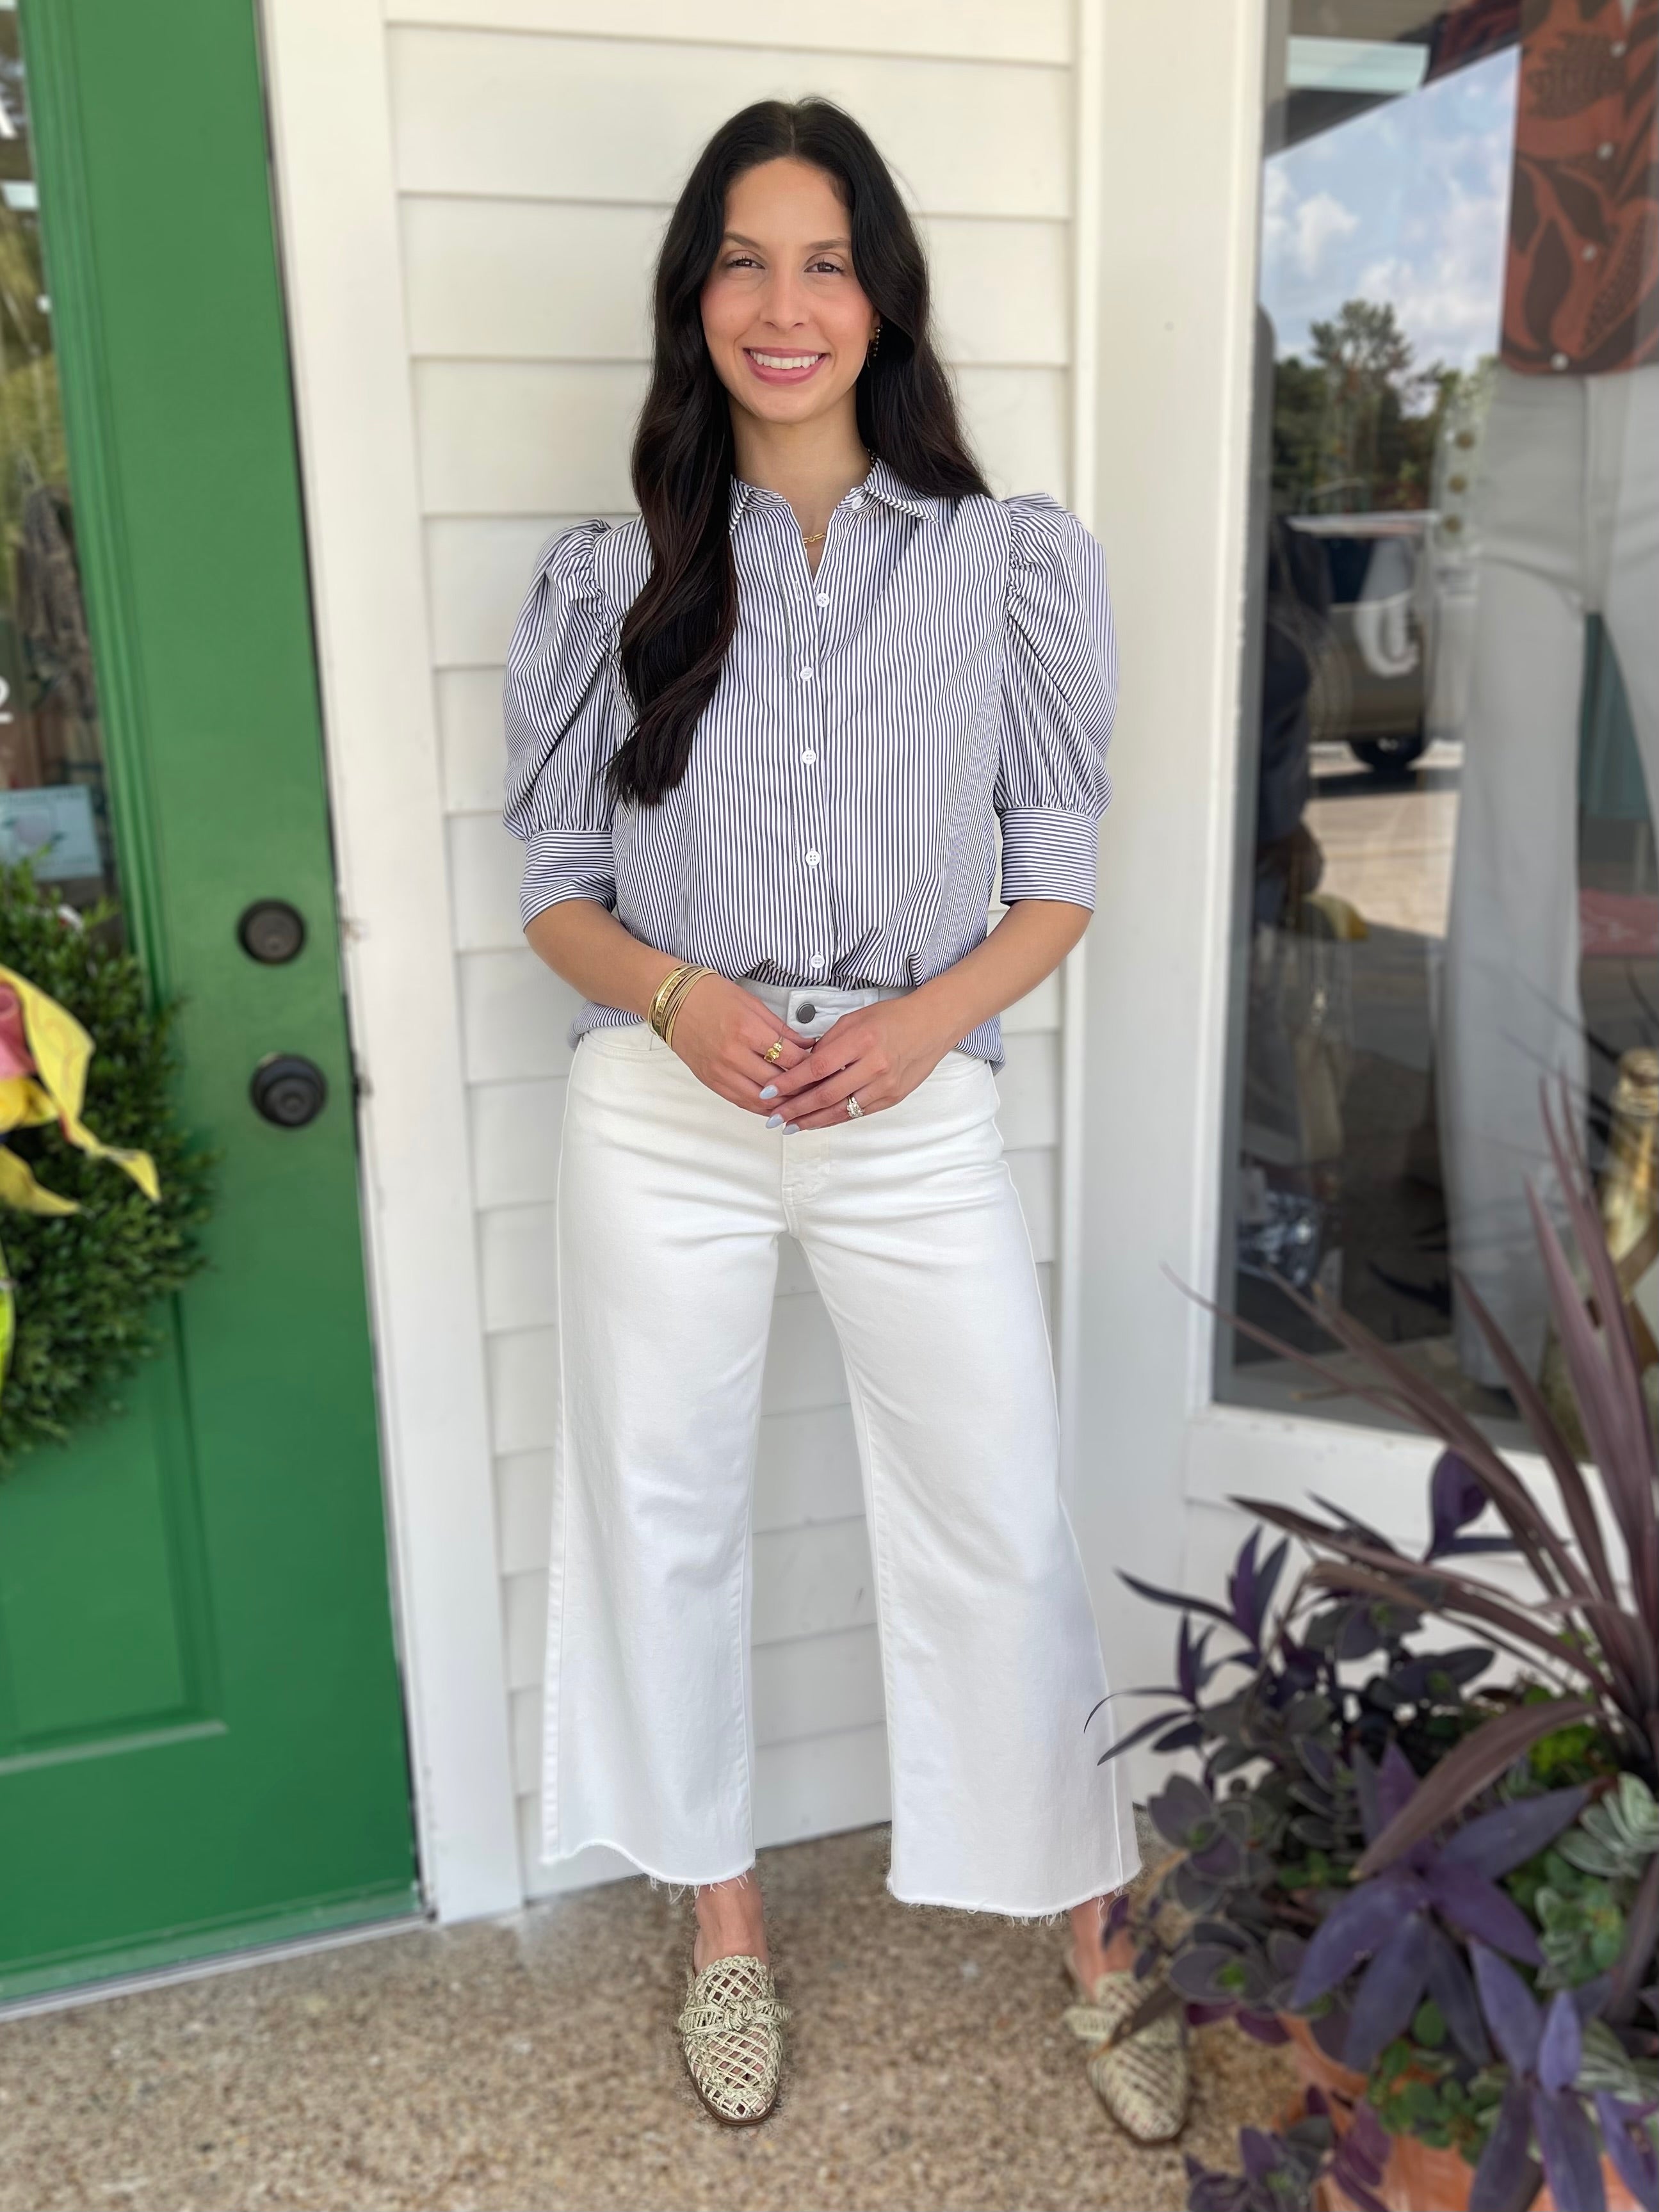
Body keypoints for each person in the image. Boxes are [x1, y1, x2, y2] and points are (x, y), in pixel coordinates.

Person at [501, 95, 1187, 2139]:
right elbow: (553, 886)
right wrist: (680, 996)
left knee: (995, 1517)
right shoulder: (611, 572)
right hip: (667, 1109)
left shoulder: (1009, 567)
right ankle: (724, 1927)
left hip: (910, 1106)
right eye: (740, 258)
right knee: (666, 1504)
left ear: (883, 294)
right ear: (691, 293)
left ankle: (1096, 1929)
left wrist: (920, 1031)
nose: (781, 305)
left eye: (822, 260)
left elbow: (1057, 881)